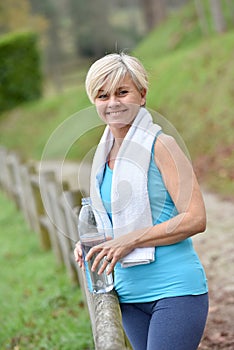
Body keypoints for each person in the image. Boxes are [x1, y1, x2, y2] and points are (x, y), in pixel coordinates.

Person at [74, 52, 208, 350]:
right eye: (102, 95)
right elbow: (112, 222)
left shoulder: (162, 146)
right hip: (127, 295)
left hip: (175, 290)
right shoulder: (102, 157)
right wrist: (93, 244)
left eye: (122, 92)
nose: (113, 103)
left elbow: (196, 218)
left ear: (142, 95)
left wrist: (129, 240)